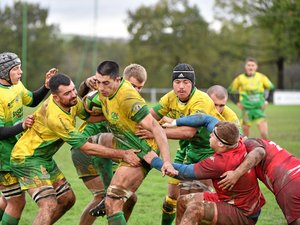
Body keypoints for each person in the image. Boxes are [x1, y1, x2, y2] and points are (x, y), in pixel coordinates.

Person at [9, 73, 142, 225]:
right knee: (49, 204)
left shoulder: (71, 102)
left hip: (43, 158)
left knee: (67, 199)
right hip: (26, 159)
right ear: (56, 97)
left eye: (73, 89)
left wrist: (116, 115)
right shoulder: (57, 118)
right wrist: (123, 154)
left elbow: (88, 116)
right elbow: (86, 147)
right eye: (67, 93)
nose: (73, 95)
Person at [84, 60, 176, 225]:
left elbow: (156, 127)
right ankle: (108, 192)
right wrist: (85, 89)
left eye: (106, 83)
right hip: (123, 143)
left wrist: (167, 161)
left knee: (112, 203)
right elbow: (89, 115)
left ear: (118, 80)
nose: (102, 87)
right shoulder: (103, 93)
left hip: (141, 149)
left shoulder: (127, 97)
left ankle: (109, 195)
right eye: (98, 82)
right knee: (98, 142)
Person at [136, 63, 225, 225]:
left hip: (209, 152)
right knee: (177, 200)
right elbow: (151, 116)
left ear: (193, 83)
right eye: (177, 82)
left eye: (186, 83)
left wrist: (155, 132)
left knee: (202, 203)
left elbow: (189, 132)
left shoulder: (201, 100)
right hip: (187, 151)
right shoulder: (170, 97)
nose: (181, 86)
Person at [148, 115, 266, 225]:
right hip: (232, 200)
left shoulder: (220, 163)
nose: (209, 135)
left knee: (195, 210)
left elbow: (183, 172)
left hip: (243, 212)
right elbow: (207, 119)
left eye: (213, 135)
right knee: (183, 201)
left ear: (220, 144)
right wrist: (175, 122)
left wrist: (152, 159)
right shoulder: (236, 140)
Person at [71, 63, 148, 224]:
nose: (136, 90)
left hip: (109, 152)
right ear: (121, 80)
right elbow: (81, 101)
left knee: (128, 198)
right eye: (133, 85)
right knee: (103, 197)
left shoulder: (130, 101)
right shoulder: (106, 94)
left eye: (140, 88)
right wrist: (86, 85)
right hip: (87, 149)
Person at [0, 52, 57, 225]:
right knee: (16, 202)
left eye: (20, 68)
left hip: (18, 153)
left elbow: (31, 100)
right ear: (4, 73)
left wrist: (46, 87)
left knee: (12, 201)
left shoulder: (16, 86)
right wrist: (22, 126)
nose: (20, 72)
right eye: (16, 69)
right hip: (3, 157)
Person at [218, 138, 300, 225]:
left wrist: (236, 174)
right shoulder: (261, 142)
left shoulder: (248, 143)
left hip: (288, 184)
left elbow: (259, 152)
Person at [228, 57, 275, 139]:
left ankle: (266, 151)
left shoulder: (261, 77)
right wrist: (237, 102)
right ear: (245, 67)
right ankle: (246, 151)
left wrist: (267, 101)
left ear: (256, 67)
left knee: (264, 134)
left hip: (259, 109)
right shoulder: (240, 78)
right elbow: (230, 91)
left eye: (253, 65)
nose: (250, 67)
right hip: (246, 110)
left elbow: (271, 88)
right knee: (245, 136)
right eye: (248, 65)